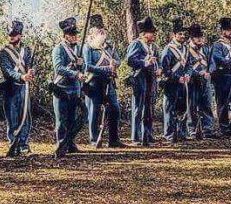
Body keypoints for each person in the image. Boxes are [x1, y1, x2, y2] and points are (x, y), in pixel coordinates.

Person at [82, 14, 123, 148]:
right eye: (98, 30)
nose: (101, 32)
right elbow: (87, 66)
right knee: (94, 111)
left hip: (108, 82)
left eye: (102, 30)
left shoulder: (109, 46)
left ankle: (113, 139)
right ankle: (94, 139)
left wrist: (114, 64)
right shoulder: (88, 47)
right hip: (93, 82)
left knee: (115, 109)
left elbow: (118, 60)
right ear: (92, 33)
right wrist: (106, 68)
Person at [0, 20, 35, 155]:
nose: (11, 37)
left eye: (14, 34)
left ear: (20, 35)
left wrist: (31, 72)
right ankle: (13, 142)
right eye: (10, 34)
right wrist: (22, 76)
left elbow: (30, 65)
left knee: (25, 116)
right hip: (10, 88)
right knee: (12, 117)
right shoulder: (4, 53)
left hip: (23, 88)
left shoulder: (27, 50)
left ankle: (24, 143)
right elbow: (7, 71)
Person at [51, 17, 85, 157]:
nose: (74, 37)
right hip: (62, 88)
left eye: (75, 34)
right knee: (61, 119)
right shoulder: (58, 49)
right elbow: (59, 68)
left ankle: (70, 143)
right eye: (71, 34)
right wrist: (75, 73)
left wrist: (81, 64)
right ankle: (61, 143)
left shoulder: (77, 48)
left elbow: (83, 66)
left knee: (72, 118)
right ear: (65, 36)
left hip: (74, 88)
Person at [126, 16, 160, 145]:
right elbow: (130, 60)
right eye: (152, 32)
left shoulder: (153, 47)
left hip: (151, 78)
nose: (154, 35)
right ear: (144, 34)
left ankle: (148, 134)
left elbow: (158, 61)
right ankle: (137, 137)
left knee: (149, 107)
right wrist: (145, 62)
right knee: (138, 107)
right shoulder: (136, 44)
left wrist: (159, 68)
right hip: (140, 77)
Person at [210, 17, 231, 136]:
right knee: (223, 102)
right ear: (223, 31)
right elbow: (218, 58)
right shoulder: (218, 45)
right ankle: (224, 127)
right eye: (229, 30)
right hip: (223, 76)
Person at [160, 19, 191, 143]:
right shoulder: (168, 49)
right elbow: (165, 69)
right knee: (169, 108)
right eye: (180, 34)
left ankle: (181, 133)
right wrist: (177, 78)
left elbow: (189, 65)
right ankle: (169, 134)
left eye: (184, 34)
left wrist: (188, 74)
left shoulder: (186, 49)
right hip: (171, 83)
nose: (182, 36)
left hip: (183, 82)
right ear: (174, 35)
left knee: (182, 108)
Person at [186, 23, 216, 138]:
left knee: (207, 104)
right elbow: (185, 66)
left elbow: (212, 63)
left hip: (205, 80)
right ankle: (192, 130)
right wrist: (197, 73)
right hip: (193, 81)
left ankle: (207, 129)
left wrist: (209, 72)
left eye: (200, 37)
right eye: (197, 37)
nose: (199, 39)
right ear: (192, 38)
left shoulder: (207, 49)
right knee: (191, 106)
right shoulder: (186, 49)